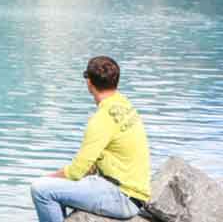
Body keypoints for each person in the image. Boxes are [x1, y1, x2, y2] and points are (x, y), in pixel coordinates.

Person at [29, 56, 151, 222]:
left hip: (121, 197)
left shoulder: (101, 119)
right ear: (116, 81)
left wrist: (47, 178)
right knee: (61, 188)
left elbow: (76, 171)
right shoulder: (124, 105)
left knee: (41, 190)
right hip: (134, 193)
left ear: (89, 82)